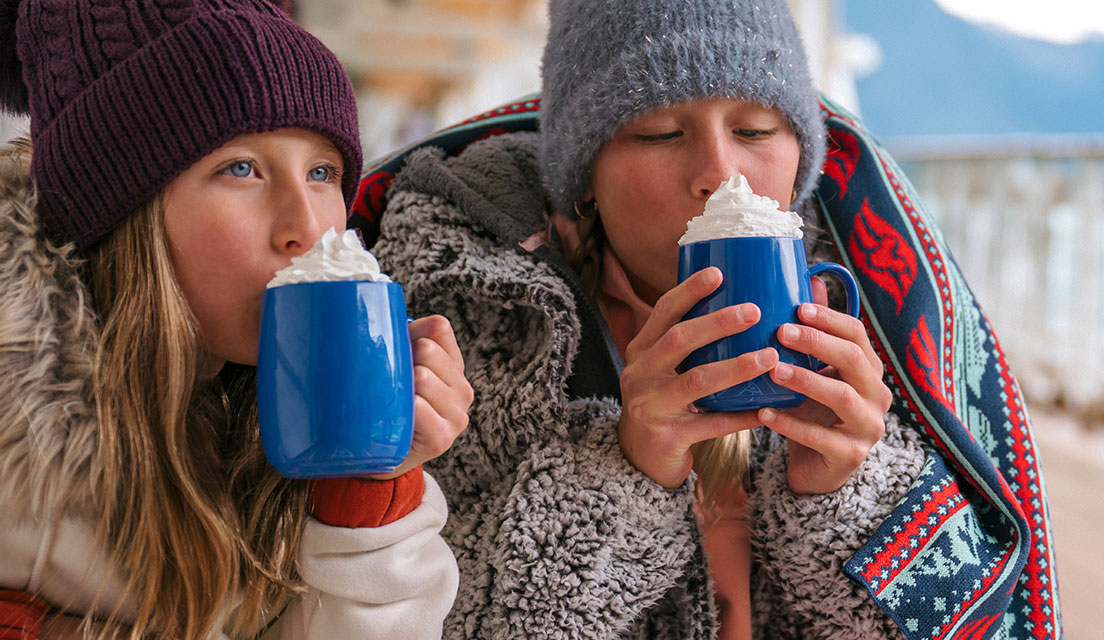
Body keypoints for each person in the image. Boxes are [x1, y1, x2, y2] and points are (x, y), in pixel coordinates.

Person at [367, 0, 1057, 638]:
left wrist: (848, 492)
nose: (721, 173)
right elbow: (440, 618)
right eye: (659, 132)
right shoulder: (471, 304)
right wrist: (626, 472)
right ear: (585, 178)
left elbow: (965, 618)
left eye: (756, 129)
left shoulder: (878, 287)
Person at [0, 1, 472, 638]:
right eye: (241, 169)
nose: (307, 227)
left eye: (322, 172)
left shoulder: (273, 419)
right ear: (123, 206)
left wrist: (372, 480)